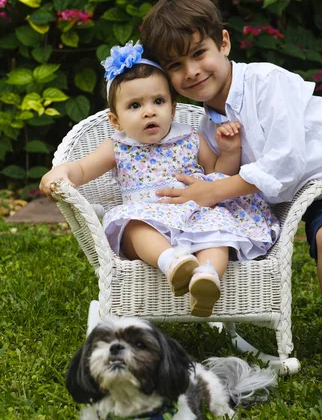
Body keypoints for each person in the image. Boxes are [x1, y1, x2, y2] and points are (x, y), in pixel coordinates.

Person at [140, 0, 322, 391]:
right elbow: (232, 178)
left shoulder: (266, 81)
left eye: (198, 53)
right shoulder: (210, 124)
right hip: (320, 191)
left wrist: (212, 190)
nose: (191, 71)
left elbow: (285, 162)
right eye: (175, 65)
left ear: (223, 42)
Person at [40, 41, 280, 318]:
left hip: (194, 215)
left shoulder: (190, 138)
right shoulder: (117, 146)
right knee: (134, 227)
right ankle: (173, 263)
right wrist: (61, 172)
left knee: (218, 231)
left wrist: (230, 151)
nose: (149, 111)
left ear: (173, 107)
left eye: (158, 101)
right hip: (146, 217)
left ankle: (207, 277)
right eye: (134, 105)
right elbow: (81, 169)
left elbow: (219, 175)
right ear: (116, 121)